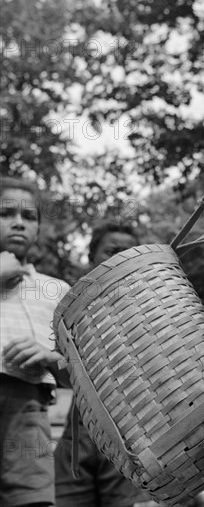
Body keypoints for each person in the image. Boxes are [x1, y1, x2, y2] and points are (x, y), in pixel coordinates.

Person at [54, 220, 153, 507]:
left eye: (128, 252)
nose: (119, 258)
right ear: (91, 258)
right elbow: (62, 375)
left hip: (131, 438)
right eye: (112, 251)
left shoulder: (151, 310)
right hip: (79, 435)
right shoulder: (70, 311)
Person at [0, 177, 70, 507]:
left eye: (29, 217)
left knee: (31, 500)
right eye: (5, 213)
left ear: (38, 230)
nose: (18, 222)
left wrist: (49, 356)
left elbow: (79, 375)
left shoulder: (57, 290)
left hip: (28, 413)